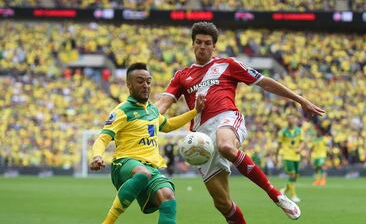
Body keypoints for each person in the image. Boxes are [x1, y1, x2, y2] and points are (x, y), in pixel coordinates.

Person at [156, 22, 325, 223]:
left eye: (207, 43)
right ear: (192, 45)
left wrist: (300, 100)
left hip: (226, 118)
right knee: (223, 204)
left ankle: (275, 194)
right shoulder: (182, 75)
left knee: (225, 145)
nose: (202, 47)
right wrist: (145, 117)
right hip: (201, 138)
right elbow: (163, 103)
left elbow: (265, 82)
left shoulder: (228, 65)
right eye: (198, 42)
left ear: (214, 46)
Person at [90, 62, 205, 224]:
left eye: (148, 81)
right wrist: (96, 156)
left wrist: (195, 112)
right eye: (140, 81)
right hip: (124, 164)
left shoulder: (152, 110)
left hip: (150, 168)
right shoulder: (122, 111)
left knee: (168, 197)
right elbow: (103, 138)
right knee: (142, 173)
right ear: (129, 85)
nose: (145, 85)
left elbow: (168, 125)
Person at [277, 114, 306, 203]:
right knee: (292, 175)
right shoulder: (283, 132)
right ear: (287, 121)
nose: (291, 120)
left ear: (295, 120)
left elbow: (302, 142)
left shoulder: (299, 131)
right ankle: (293, 196)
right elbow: (279, 145)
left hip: (296, 156)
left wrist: (300, 149)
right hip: (287, 156)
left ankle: (284, 190)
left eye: (292, 118)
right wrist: (276, 156)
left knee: (295, 176)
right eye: (289, 119)